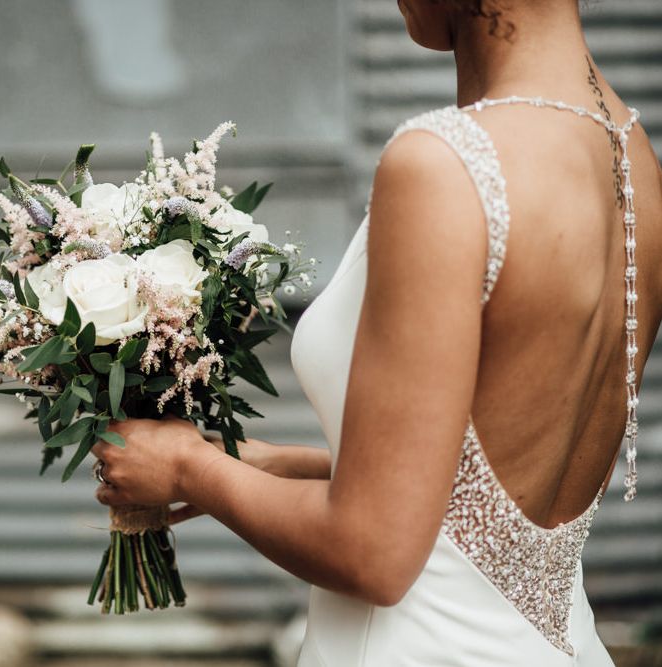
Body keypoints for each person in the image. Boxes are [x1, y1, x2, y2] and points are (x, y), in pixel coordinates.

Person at [91, 0, 662, 664]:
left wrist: (189, 465)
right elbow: (491, 477)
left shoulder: (446, 167)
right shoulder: (635, 159)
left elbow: (373, 554)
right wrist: (282, 465)